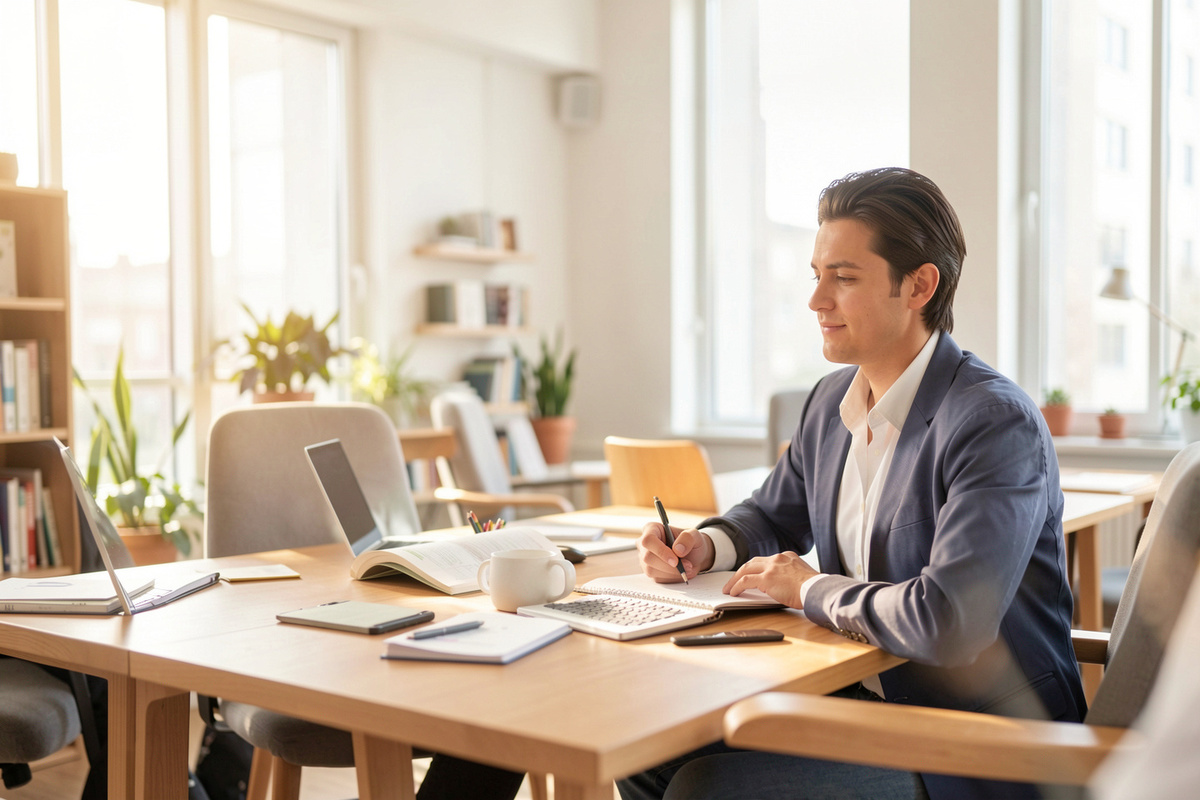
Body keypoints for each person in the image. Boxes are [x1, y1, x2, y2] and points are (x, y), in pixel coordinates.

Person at [619, 167, 1086, 800]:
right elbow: (773, 514)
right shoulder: (830, 400)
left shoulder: (991, 421)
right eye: (817, 276)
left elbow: (949, 620)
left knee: (706, 787)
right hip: (857, 700)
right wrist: (706, 545)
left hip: (978, 743)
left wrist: (809, 587)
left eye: (843, 278)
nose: (816, 301)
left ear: (920, 285)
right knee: (646, 750)